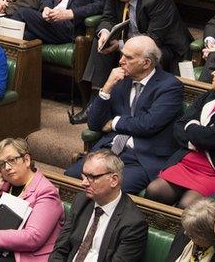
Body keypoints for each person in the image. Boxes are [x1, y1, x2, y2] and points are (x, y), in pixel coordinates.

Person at [66, 37, 184, 194]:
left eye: (128, 58)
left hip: (141, 158)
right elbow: (94, 124)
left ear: (146, 63)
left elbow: (148, 124)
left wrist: (114, 122)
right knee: (70, 178)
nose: (121, 61)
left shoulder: (170, 87)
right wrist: (106, 88)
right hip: (109, 151)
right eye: (122, 55)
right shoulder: (120, 79)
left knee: (110, 190)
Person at [146, 53, 215, 207]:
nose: (213, 73)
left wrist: (192, 126)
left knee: (188, 204)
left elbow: (208, 138)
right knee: (155, 190)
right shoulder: (210, 96)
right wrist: (196, 138)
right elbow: (179, 126)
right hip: (189, 163)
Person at [81, 0, 191, 92]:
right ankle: (96, 98)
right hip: (131, 40)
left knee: (142, 56)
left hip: (165, 48)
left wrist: (120, 45)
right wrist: (105, 33)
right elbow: (108, 17)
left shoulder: (157, 0)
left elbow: (152, 40)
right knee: (101, 43)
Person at [48, 150, 147, 262]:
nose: (84, 183)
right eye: (84, 176)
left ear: (114, 180)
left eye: (92, 177)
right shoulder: (81, 201)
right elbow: (60, 250)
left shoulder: (133, 223)